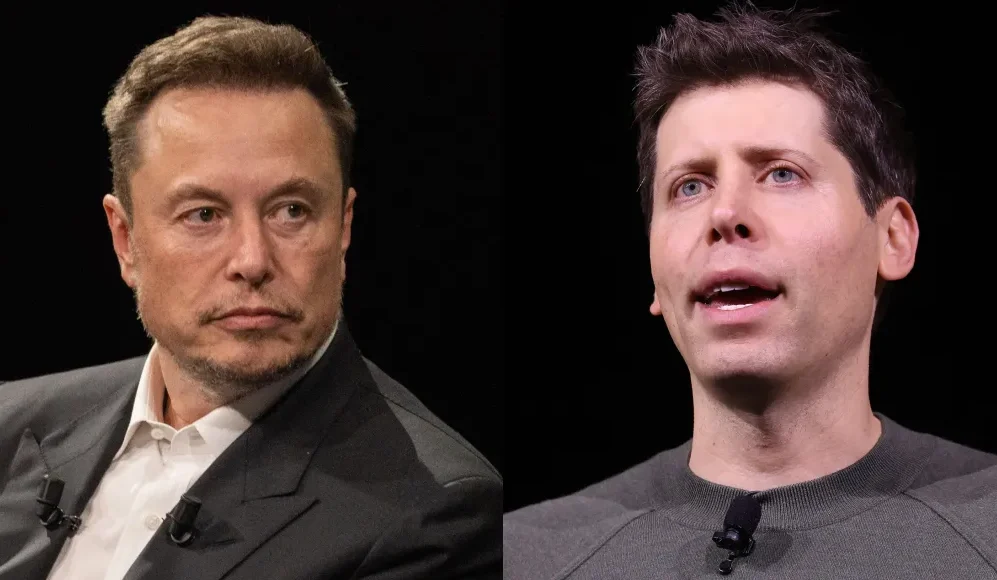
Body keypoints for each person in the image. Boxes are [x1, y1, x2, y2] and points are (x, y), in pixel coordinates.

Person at [503, 4, 996, 578]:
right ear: (654, 270)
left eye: (781, 174)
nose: (725, 213)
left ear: (892, 239)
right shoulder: (525, 557)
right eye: (690, 186)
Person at [0, 15, 500, 580]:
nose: (252, 261)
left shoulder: (434, 516)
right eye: (204, 215)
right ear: (125, 241)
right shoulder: (11, 424)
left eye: (291, 211)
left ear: (343, 228)